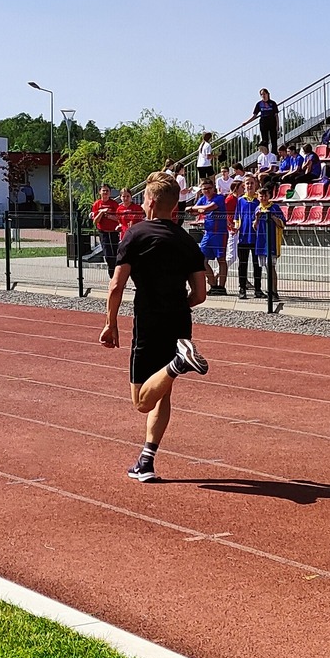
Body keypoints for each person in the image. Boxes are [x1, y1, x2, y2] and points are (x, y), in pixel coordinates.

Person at [100, 171, 213, 483]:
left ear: (148, 201)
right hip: (179, 322)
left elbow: (116, 287)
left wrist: (111, 323)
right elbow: (200, 294)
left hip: (149, 321)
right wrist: (178, 305)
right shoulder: (187, 241)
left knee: (142, 401)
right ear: (174, 207)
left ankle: (178, 364)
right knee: (162, 394)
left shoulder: (134, 235)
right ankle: (146, 462)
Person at [247, 182, 286, 306]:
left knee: (271, 267)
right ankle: (269, 290)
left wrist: (272, 216)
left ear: (269, 196)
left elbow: (282, 223)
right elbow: (255, 227)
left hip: (272, 241)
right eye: (260, 196)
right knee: (265, 267)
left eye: (265, 196)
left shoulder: (274, 207)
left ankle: (274, 291)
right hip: (261, 241)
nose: (263, 198)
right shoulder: (257, 208)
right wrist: (257, 218)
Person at [192, 179, 231, 294]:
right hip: (208, 232)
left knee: (221, 260)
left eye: (209, 188)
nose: (207, 190)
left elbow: (206, 209)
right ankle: (213, 283)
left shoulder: (219, 198)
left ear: (213, 188)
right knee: (201, 259)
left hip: (220, 232)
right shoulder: (202, 199)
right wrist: (198, 209)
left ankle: (222, 286)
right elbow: (193, 211)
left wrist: (199, 209)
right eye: (205, 189)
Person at [89, 185, 121, 269]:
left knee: (115, 253)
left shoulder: (114, 204)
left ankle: (116, 273)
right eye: (103, 191)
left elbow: (119, 218)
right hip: (103, 232)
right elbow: (95, 221)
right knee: (107, 254)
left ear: (110, 193)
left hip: (114, 232)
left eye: (107, 191)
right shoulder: (97, 204)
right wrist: (101, 212)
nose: (105, 193)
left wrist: (110, 216)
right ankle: (112, 273)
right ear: (100, 192)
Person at [248, 89, 282, 154]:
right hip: (263, 122)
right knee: (265, 139)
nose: (263, 95)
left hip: (272, 122)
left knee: (273, 139)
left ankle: (274, 153)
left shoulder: (273, 103)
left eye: (264, 94)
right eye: (261, 94)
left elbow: (276, 115)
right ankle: (266, 153)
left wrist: (277, 125)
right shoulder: (259, 104)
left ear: (267, 94)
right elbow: (254, 115)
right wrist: (247, 122)